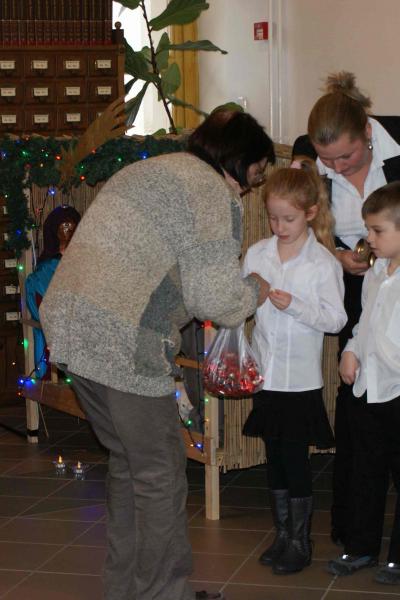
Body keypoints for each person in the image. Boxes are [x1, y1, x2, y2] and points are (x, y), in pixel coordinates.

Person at [39, 110, 275, 600]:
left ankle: (127, 590)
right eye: (257, 172)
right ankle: (163, 594)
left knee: (131, 465)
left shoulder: (153, 168)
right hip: (122, 338)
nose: (254, 185)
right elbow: (216, 300)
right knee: (160, 475)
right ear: (240, 159)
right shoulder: (211, 190)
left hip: (69, 325)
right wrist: (256, 288)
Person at [293, 71, 400, 546]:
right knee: (357, 409)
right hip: (356, 288)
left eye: (347, 156)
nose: (336, 165)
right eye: (327, 159)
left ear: (368, 133)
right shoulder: (314, 163)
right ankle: (355, 533)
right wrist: (337, 258)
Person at [242, 157, 347, 574]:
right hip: (265, 374)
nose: (279, 226)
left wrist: (295, 305)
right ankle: (283, 534)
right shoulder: (257, 254)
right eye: (273, 218)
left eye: (288, 218)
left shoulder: (322, 263)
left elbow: (336, 320)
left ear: (310, 213)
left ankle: (301, 542)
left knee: (296, 460)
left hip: (300, 381)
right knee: (275, 457)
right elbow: (241, 304)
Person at [327, 181, 400, 585]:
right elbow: (363, 323)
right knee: (366, 469)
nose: (368, 238)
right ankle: (361, 546)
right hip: (369, 389)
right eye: (368, 229)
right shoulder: (375, 273)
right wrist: (352, 350)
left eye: (377, 231)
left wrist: (381, 356)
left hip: (397, 389)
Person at [25, 205, 80, 379]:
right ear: (54, 230)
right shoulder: (43, 272)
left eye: (72, 225)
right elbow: (41, 309)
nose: (69, 229)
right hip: (58, 336)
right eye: (64, 225)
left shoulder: (86, 262)